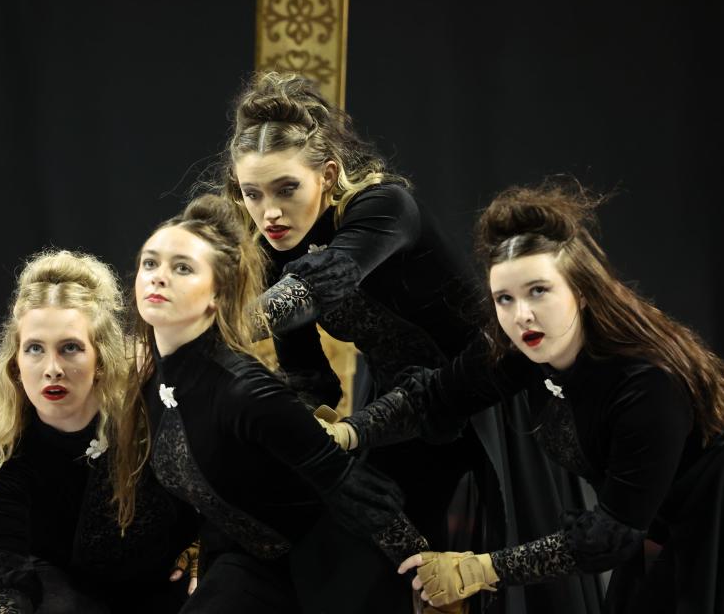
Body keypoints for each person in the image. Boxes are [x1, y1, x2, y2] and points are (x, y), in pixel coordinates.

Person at [325, 181, 724, 613]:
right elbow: (436, 395)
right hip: (656, 528)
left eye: (538, 291)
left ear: (580, 289)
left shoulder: (647, 381)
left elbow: (609, 537)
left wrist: (479, 569)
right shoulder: (524, 347)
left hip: (720, 521)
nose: (521, 314)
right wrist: (347, 434)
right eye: (505, 298)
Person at [207, 70, 512, 562]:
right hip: (397, 405)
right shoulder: (273, 252)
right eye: (252, 194)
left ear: (327, 175)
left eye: (286, 189)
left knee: (502, 558)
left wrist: (204, 327)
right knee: (372, 544)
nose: (270, 214)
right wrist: (299, 426)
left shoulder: (385, 206)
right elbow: (309, 377)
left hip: (487, 391)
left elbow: (316, 285)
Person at [112, 194, 426, 613]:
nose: (158, 277)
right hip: (250, 564)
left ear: (218, 294)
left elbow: (354, 489)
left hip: (330, 575)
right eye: (150, 263)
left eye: (182, 268)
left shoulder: (245, 390)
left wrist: (428, 579)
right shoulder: (153, 377)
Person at [0, 250, 197, 614]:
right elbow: (2, 562)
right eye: (35, 350)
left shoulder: (151, 416)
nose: (52, 368)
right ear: (15, 365)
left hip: (162, 585)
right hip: (64, 590)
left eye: (70, 348)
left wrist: (205, 547)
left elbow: (216, 489)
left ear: (101, 359)